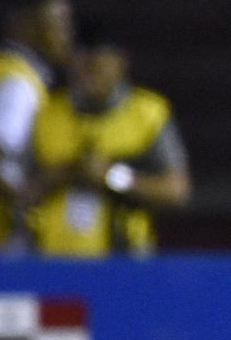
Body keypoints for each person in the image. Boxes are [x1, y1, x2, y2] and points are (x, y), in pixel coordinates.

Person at [29, 29, 191, 257]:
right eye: (79, 66)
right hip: (51, 258)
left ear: (119, 64)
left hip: (123, 260)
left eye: (95, 67)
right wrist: (66, 173)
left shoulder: (147, 114)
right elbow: (21, 190)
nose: (85, 75)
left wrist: (112, 177)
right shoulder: (47, 112)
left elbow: (175, 191)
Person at [0, 0, 74, 251]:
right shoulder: (18, 83)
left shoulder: (1, 67)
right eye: (59, 23)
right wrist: (24, 200)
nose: (67, 34)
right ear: (25, 25)